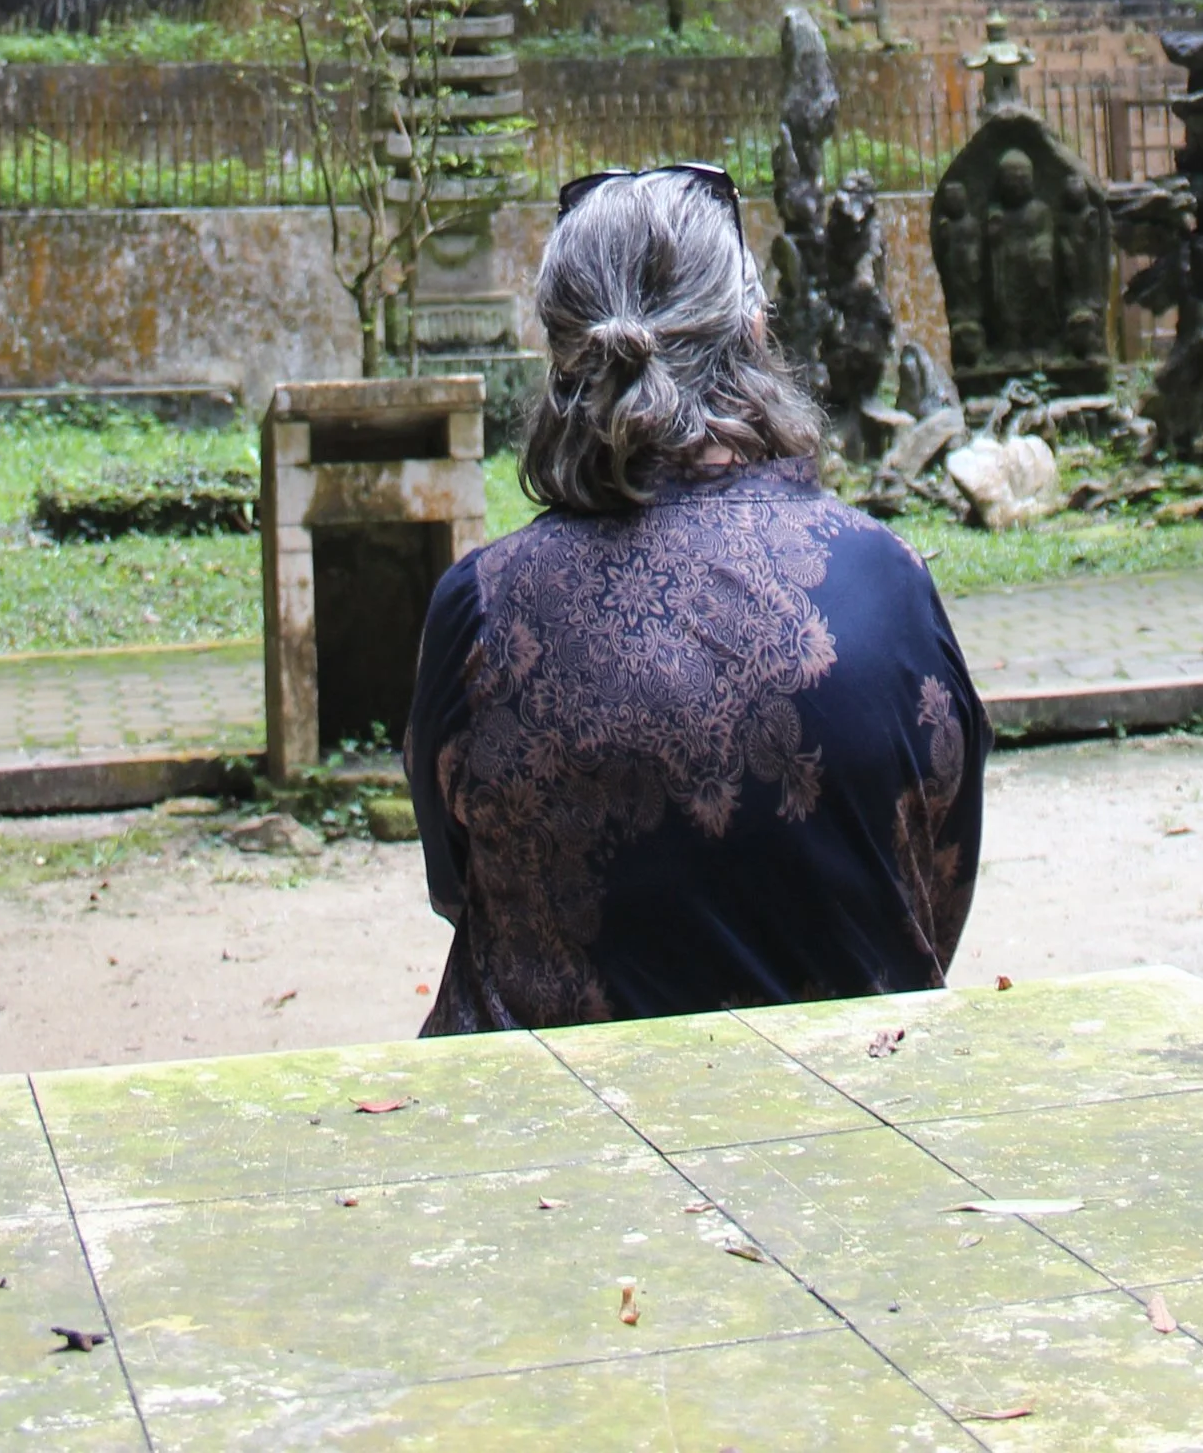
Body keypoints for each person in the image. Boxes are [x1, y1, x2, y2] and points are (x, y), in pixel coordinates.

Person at [405, 164, 985, 1033]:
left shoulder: (485, 605)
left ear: (564, 346)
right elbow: (937, 883)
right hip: (849, 1123)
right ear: (753, 327)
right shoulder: (886, 578)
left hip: (557, 1131)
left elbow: (459, 887)